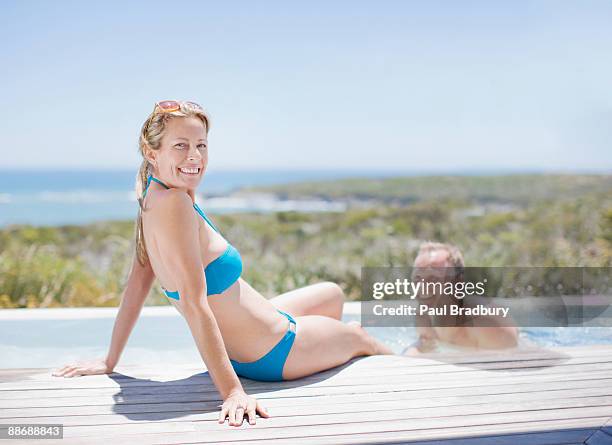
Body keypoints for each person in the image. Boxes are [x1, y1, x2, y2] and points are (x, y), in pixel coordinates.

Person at [52, 100, 393, 427]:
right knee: (360, 337)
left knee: (332, 294)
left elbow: (137, 284)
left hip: (259, 334)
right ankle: (398, 361)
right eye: (181, 146)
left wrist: (110, 360)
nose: (195, 157)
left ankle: (321, 350)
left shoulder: (153, 196)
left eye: (201, 145)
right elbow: (195, 303)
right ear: (151, 152)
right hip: (274, 350)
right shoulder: (176, 206)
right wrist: (232, 392)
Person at [404, 242, 518, 354]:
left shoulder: (486, 321)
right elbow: (424, 348)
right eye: (418, 278)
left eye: (433, 279)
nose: (423, 286)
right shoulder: (423, 314)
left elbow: (516, 364)